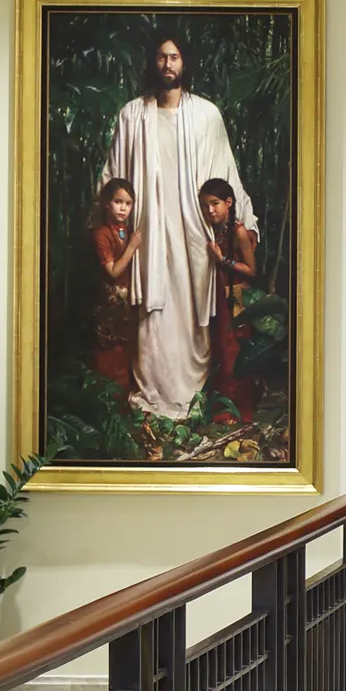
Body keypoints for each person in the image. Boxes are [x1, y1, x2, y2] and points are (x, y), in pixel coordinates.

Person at [98, 29, 256, 423]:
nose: (168, 64)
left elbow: (225, 173)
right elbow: (114, 178)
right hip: (148, 229)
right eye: (162, 57)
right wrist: (112, 228)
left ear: (185, 63)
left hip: (192, 231)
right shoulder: (132, 114)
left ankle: (197, 392)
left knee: (191, 305)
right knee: (154, 310)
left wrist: (241, 223)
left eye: (175, 57)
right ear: (153, 63)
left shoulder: (206, 114)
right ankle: (153, 389)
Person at [197, 176, 259, 428]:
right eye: (205, 206)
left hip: (237, 296)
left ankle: (238, 409)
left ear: (229, 203)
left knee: (235, 350)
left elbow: (251, 270)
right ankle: (224, 407)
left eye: (215, 204)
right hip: (222, 296)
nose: (210, 210)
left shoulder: (238, 231)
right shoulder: (217, 229)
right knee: (223, 351)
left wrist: (223, 260)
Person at [84, 176, 142, 393]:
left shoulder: (124, 229)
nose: (123, 208)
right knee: (108, 348)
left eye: (128, 204)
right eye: (118, 202)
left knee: (125, 347)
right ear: (107, 203)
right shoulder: (101, 234)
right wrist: (132, 246)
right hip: (109, 301)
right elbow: (113, 271)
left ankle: (122, 397)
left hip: (125, 299)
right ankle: (107, 400)